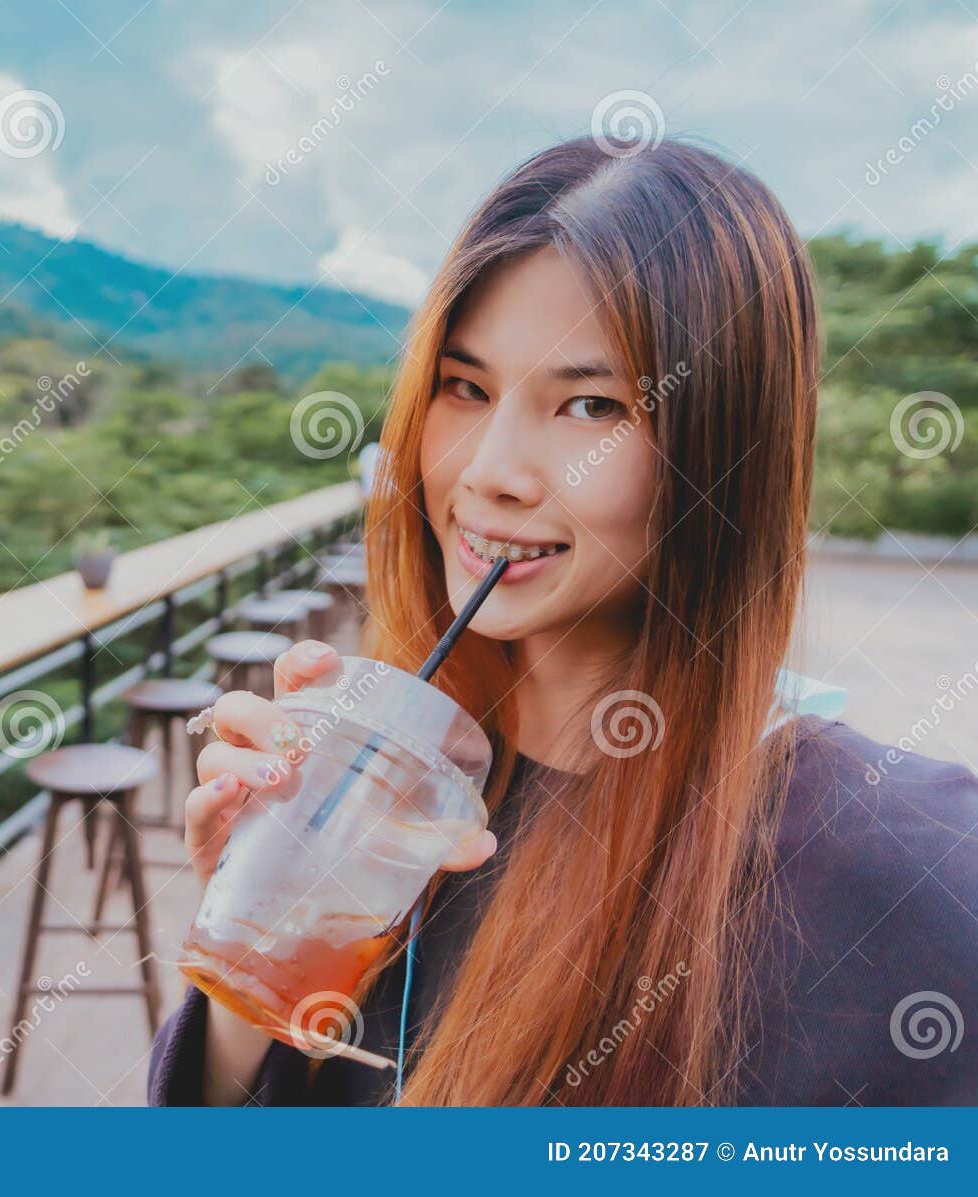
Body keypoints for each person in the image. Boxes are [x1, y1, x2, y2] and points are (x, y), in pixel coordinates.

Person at [149, 136, 978, 1106]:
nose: (490, 469)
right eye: (465, 387)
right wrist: (261, 975)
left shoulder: (906, 869)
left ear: (723, 452)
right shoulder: (390, 801)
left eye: (589, 405)